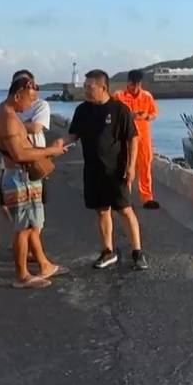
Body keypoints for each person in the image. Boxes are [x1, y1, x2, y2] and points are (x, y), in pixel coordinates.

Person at [63, 69, 148, 271]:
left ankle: (137, 252)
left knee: (124, 210)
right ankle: (108, 251)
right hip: (93, 170)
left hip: (116, 170)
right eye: (85, 86)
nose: (85, 90)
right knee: (101, 211)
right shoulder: (82, 110)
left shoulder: (119, 110)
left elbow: (132, 138)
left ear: (103, 87)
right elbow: (73, 135)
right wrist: (55, 147)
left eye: (89, 86)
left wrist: (131, 166)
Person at [0, 76, 70, 289]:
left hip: (23, 177)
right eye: (30, 99)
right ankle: (22, 276)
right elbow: (19, 154)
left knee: (32, 225)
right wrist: (51, 150)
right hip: (19, 178)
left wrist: (47, 152)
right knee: (23, 229)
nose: (32, 104)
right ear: (18, 96)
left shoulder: (8, 114)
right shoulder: (8, 119)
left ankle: (43, 266)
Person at [0, 70, 52, 221]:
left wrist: (12, 126)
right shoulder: (6, 108)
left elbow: (36, 128)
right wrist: (19, 125)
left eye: (28, 83)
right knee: (5, 204)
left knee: (37, 207)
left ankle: (27, 233)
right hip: (10, 163)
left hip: (35, 162)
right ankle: (19, 231)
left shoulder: (40, 105)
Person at [113, 69, 160, 209]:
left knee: (145, 166)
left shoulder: (147, 96)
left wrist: (146, 116)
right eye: (133, 85)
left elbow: (154, 113)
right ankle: (124, 197)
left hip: (143, 136)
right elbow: (113, 115)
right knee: (125, 166)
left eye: (138, 85)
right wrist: (130, 116)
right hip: (125, 137)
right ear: (128, 83)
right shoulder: (118, 96)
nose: (135, 88)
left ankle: (147, 197)